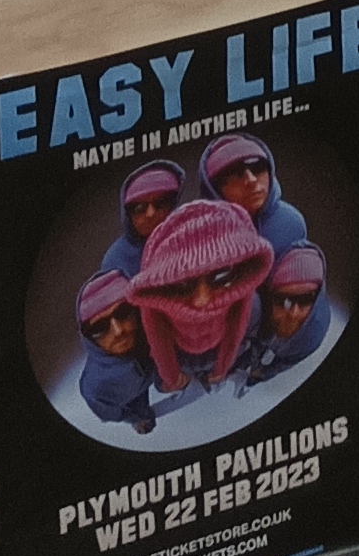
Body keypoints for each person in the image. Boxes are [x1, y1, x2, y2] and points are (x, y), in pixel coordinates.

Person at [125, 195, 275, 412]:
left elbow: (240, 324)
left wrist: (223, 365)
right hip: (180, 355)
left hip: (219, 349)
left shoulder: (250, 302)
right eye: (182, 284)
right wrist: (170, 374)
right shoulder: (154, 307)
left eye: (220, 276)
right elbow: (156, 334)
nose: (202, 300)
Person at [201, 130, 312, 263]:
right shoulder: (203, 236)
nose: (251, 180)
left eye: (258, 167)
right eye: (234, 173)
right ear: (214, 189)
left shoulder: (290, 222)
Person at [76, 270, 159, 432]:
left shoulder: (155, 334)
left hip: (147, 378)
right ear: (88, 338)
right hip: (129, 398)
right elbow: (110, 413)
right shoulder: (95, 387)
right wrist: (133, 417)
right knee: (139, 408)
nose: (118, 330)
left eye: (123, 312)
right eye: (99, 327)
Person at [243, 243, 330, 383]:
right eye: (283, 300)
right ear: (270, 297)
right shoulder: (254, 308)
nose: (293, 313)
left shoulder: (314, 333)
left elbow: (288, 361)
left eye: (305, 299)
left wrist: (264, 374)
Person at [98, 160, 187, 278]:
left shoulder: (190, 237)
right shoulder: (116, 259)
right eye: (139, 208)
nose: (151, 213)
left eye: (161, 203)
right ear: (128, 215)